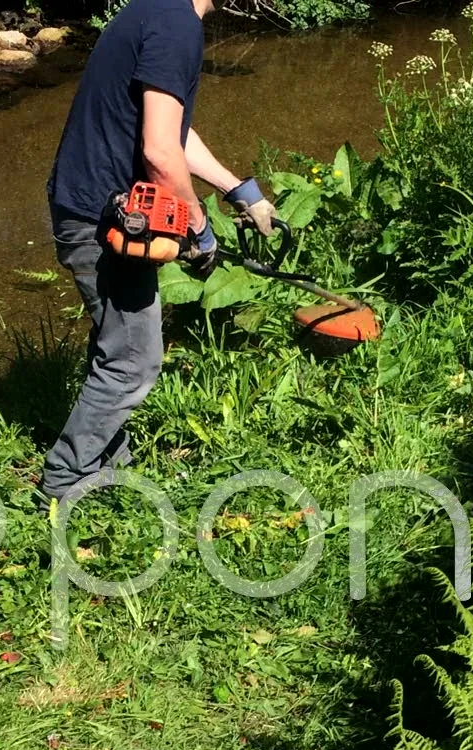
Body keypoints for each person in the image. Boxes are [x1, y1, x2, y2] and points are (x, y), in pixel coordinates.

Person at [41, 0, 278, 509]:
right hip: (101, 219)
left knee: (118, 341)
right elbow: (158, 154)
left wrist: (238, 189)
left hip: (86, 203)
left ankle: (108, 459)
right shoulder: (177, 27)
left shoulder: (154, 11)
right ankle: (64, 485)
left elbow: (172, 133)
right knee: (134, 361)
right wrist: (198, 229)